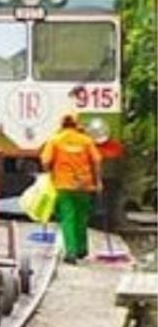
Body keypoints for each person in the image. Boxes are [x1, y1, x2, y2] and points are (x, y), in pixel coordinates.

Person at [40, 112, 103, 263]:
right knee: (82, 217)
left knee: (68, 218)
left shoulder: (55, 140)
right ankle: (82, 249)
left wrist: (49, 174)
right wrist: (98, 181)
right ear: (76, 124)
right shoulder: (86, 141)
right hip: (84, 185)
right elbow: (97, 161)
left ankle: (71, 252)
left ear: (61, 124)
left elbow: (45, 161)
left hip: (63, 185)